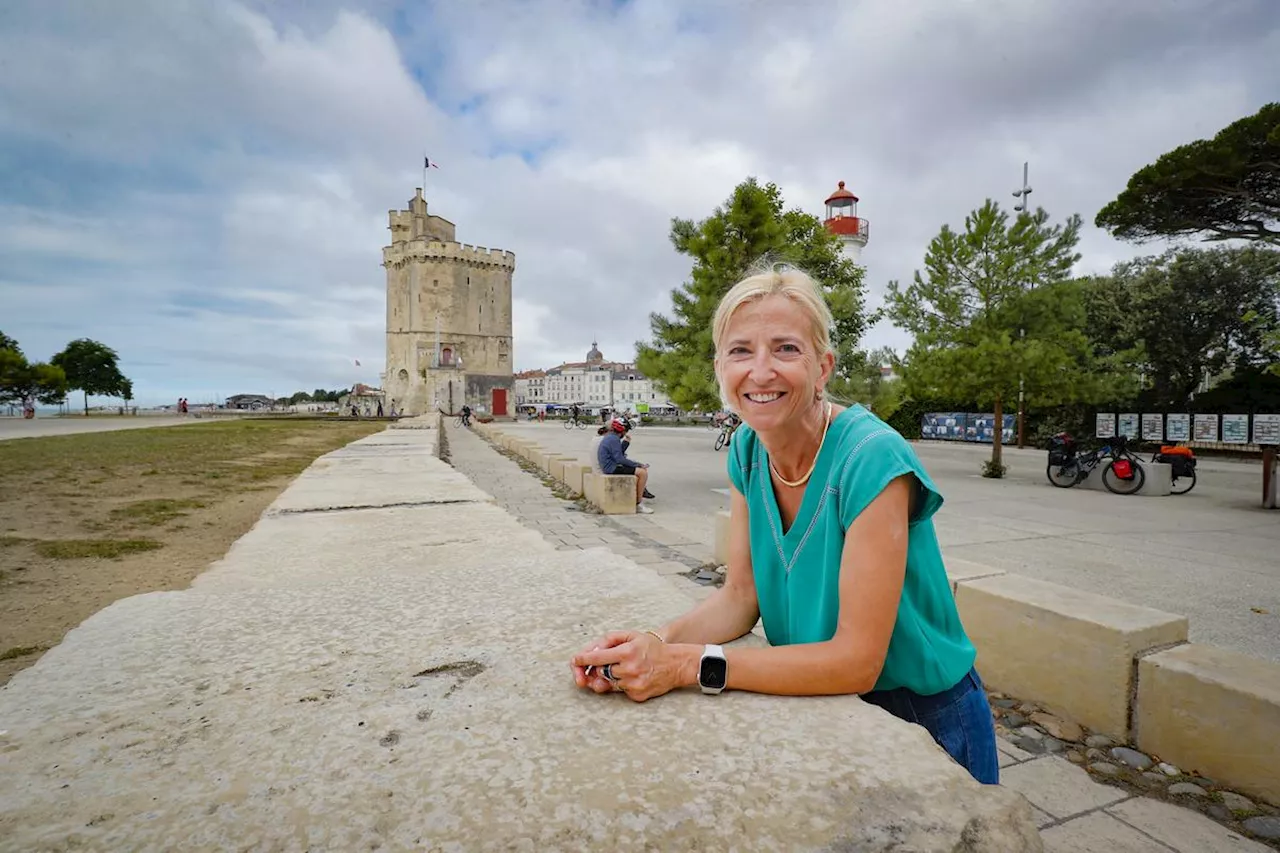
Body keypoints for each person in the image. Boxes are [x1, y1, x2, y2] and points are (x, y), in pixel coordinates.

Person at [570, 263, 998, 785]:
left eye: (786, 349)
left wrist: (686, 665)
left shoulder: (872, 457)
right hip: (821, 703)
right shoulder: (749, 451)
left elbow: (857, 660)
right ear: (720, 369)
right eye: (741, 350)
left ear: (823, 368)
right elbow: (740, 597)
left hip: (923, 714)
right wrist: (650, 644)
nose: (761, 370)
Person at [596, 417, 654, 514]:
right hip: (611, 468)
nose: (626, 433)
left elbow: (618, 454)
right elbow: (620, 459)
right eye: (626, 431)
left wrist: (626, 443)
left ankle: (640, 493)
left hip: (610, 466)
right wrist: (638, 464)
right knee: (642, 473)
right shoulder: (614, 439)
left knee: (639, 470)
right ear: (622, 430)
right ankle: (638, 503)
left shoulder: (611, 437)